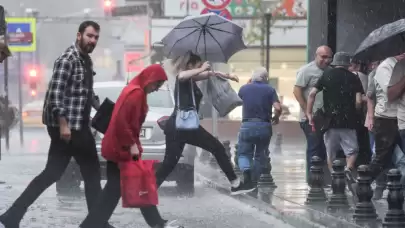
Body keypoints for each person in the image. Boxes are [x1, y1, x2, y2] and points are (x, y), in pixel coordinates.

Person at [0, 21, 116, 228]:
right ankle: (97, 223)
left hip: (79, 125)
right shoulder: (67, 59)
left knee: (56, 173)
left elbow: (87, 93)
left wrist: (102, 109)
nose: (93, 41)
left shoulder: (85, 61)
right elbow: (55, 94)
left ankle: (13, 215)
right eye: (89, 36)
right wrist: (63, 125)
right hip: (68, 127)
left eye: (96, 37)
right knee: (88, 174)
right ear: (79, 35)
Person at [80, 64, 182, 228]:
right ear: (149, 79)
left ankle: (156, 223)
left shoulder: (134, 90)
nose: (157, 89)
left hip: (117, 147)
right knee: (126, 188)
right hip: (120, 149)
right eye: (157, 84)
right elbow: (122, 123)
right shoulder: (136, 94)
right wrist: (132, 145)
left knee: (123, 189)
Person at [155, 51, 255, 195]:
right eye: (197, 65)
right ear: (189, 65)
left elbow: (209, 74)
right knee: (218, 148)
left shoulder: (190, 80)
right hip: (184, 126)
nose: (200, 68)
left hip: (178, 127)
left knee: (169, 164)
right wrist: (202, 68)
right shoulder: (183, 78)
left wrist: (227, 76)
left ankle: (148, 191)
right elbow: (182, 75)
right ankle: (235, 184)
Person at [306, 52, 363, 191]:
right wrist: (356, 111)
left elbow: (312, 94)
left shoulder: (326, 75)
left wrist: (309, 112)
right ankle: (348, 170)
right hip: (348, 122)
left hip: (329, 121)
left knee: (330, 153)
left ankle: (335, 178)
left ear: (334, 62)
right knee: (352, 151)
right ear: (348, 63)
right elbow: (358, 101)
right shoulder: (354, 77)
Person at [293, 45, 333, 183]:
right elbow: (297, 91)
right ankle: (313, 182)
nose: (326, 60)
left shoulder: (330, 71)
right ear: (316, 55)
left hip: (326, 117)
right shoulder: (306, 71)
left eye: (329, 57)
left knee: (323, 149)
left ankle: (322, 180)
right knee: (315, 148)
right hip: (310, 118)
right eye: (323, 57)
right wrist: (307, 111)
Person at [237, 67, 282, 184]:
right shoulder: (270, 89)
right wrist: (276, 117)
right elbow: (278, 108)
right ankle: (254, 181)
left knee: (243, 154)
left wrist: (248, 84)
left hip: (247, 125)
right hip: (264, 126)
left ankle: (246, 173)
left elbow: (237, 100)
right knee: (260, 155)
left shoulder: (244, 89)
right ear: (265, 78)